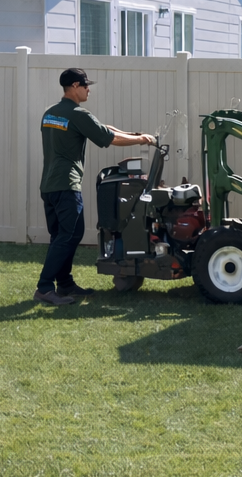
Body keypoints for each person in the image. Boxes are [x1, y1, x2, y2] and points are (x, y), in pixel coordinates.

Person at [35, 67, 156, 306]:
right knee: (71, 234)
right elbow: (109, 139)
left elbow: (105, 128)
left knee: (60, 235)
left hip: (49, 185)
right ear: (74, 87)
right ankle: (45, 287)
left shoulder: (51, 113)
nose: (89, 89)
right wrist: (143, 140)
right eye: (85, 85)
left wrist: (134, 133)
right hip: (67, 184)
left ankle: (65, 284)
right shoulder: (79, 114)